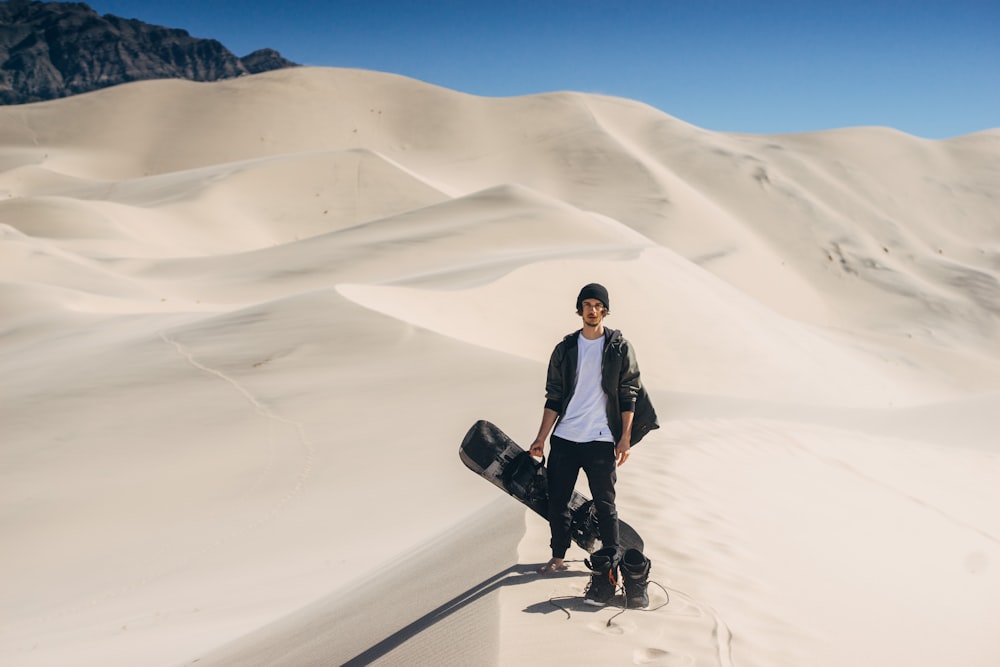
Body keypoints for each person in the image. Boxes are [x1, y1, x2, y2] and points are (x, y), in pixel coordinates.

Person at [529, 283, 658, 604]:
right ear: (579, 309)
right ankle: (557, 556)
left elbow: (629, 392)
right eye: (586, 304)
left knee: (605, 505)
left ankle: (611, 565)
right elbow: (554, 396)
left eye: (597, 305)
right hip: (566, 437)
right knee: (557, 502)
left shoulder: (618, 347)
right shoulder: (566, 349)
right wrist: (541, 437)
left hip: (601, 439)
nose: (591, 309)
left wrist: (625, 437)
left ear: (604, 310)